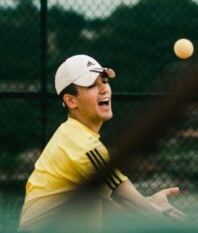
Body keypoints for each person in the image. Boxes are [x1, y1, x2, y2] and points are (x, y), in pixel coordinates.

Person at [19, 54, 186, 231]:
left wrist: (151, 202)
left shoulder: (70, 135)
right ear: (70, 100)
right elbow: (126, 198)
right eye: (92, 85)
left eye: (104, 81)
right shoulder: (83, 146)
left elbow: (112, 207)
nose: (104, 89)